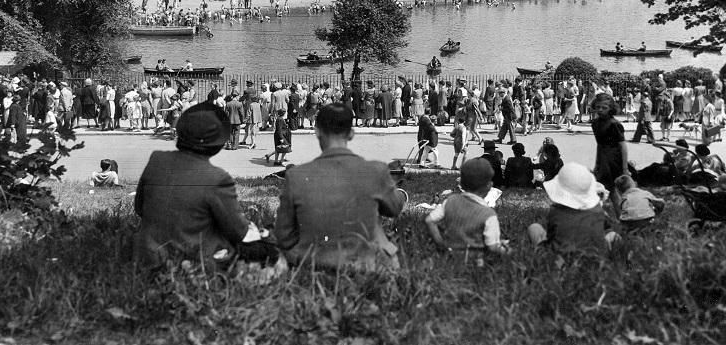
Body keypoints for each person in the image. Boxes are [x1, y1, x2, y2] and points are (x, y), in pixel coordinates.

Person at [134, 103, 277, 268]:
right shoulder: (218, 178)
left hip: (147, 255)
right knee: (264, 246)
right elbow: (238, 231)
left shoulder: (156, 159)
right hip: (191, 259)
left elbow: (139, 208)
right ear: (217, 144)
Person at [274, 103, 408, 271]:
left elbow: (283, 235)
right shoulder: (376, 170)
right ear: (351, 134)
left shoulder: (296, 176)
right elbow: (394, 209)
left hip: (313, 264)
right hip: (367, 265)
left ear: (317, 132)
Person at [424, 158, 510, 257]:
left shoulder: (450, 201)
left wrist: (441, 244)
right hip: (476, 259)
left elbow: (429, 220)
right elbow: (493, 247)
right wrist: (506, 250)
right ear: (489, 186)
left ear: (461, 184)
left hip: (450, 254)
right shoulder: (489, 214)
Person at [527, 163, 620, 252]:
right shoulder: (598, 211)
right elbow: (607, 228)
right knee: (613, 235)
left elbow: (551, 235)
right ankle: (619, 259)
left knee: (534, 228)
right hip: (594, 255)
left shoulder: (555, 212)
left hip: (560, 256)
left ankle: (539, 253)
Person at [591, 93, 629, 215]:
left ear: (611, 108)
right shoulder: (595, 123)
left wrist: (625, 168)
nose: (600, 110)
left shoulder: (614, 124)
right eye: (598, 107)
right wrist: (597, 163)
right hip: (603, 159)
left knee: (613, 190)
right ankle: (599, 216)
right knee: (600, 188)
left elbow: (622, 145)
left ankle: (622, 216)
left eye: (604, 108)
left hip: (614, 160)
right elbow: (599, 144)